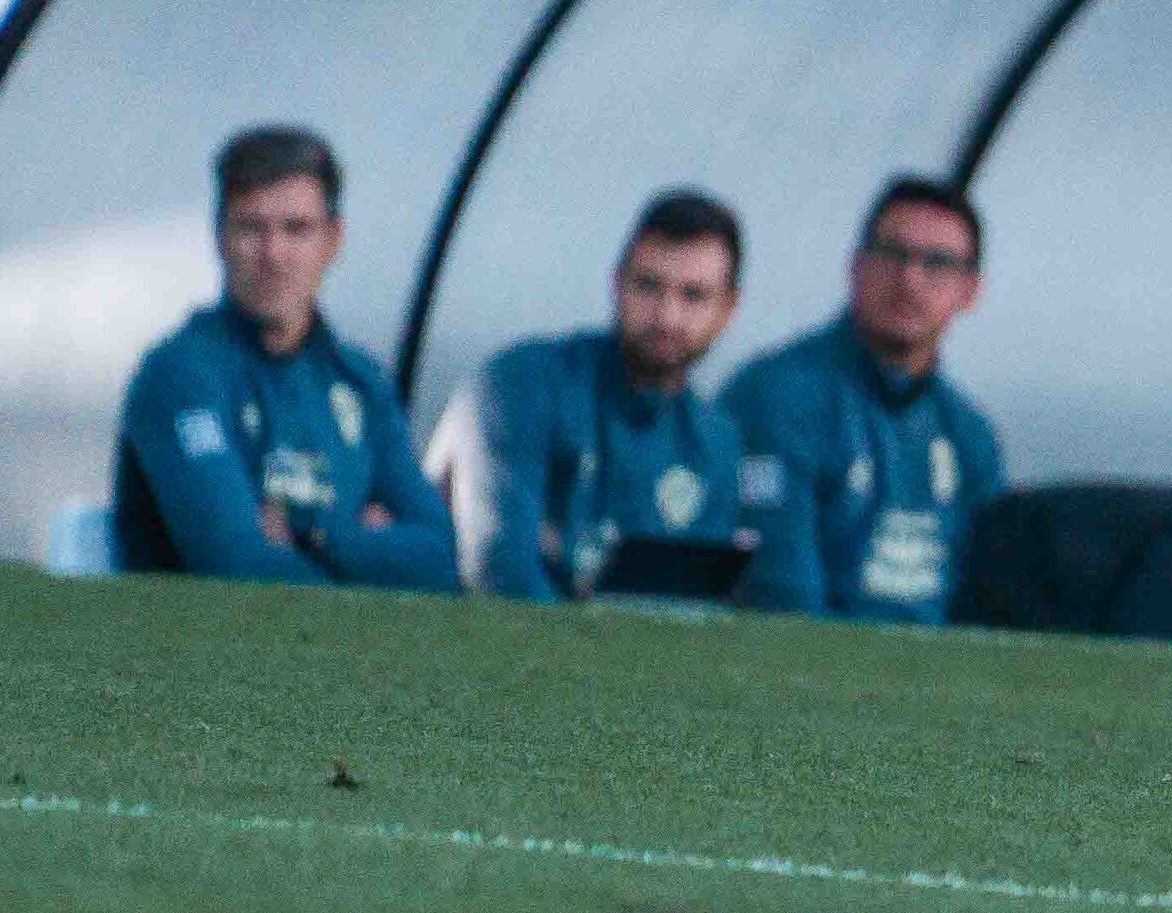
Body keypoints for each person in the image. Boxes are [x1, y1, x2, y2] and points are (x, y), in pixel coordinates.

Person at [112, 123, 455, 588]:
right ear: (219, 237)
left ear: (333, 241)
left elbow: (443, 557)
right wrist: (371, 550)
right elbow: (234, 564)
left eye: (297, 230)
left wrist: (312, 534)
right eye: (252, 229)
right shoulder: (180, 375)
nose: (274, 254)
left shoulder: (358, 381)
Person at [729, 178, 1005, 625]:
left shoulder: (969, 434)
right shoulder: (778, 396)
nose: (910, 279)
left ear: (970, 291)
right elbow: (783, 600)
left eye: (938, 263)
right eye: (893, 254)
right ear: (855, 265)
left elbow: (994, 604)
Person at [464, 190, 754, 603]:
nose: (666, 316)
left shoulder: (716, 440)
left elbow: (694, 605)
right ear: (617, 282)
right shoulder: (527, 381)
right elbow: (503, 567)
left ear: (728, 310)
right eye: (648, 286)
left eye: (693, 296)